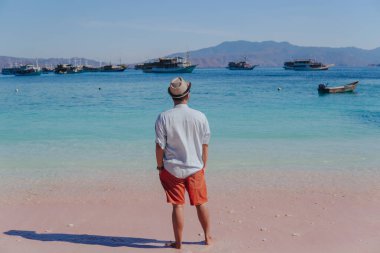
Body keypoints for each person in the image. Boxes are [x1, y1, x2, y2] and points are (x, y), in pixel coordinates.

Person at [155, 77, 212, 249]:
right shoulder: (200, 116)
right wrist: (204, 165)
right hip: (195, 167)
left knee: (177, 206)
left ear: (172, 96)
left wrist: (160, 166)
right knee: (201, 203)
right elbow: (205, 144)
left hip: (172, 168)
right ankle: (208, 238)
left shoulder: (163, 117)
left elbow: (159, 146)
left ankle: (178, 243)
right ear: (188, 94)